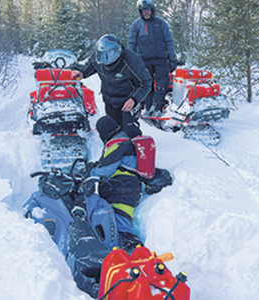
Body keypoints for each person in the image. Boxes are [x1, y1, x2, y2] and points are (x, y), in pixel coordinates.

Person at [72, 34, 152, 138]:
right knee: (112, 129)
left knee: (129, 129)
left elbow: (146, 82)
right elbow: (90, 66)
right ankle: (114, 149)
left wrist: (134, 99)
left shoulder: (131, 60)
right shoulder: (98, 57)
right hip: (109, 100)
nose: (107, 63)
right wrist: (81, 72)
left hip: (128, 101)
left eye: (110, 60)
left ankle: (135, 149)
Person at [89, 116, 144, 253]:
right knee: (117, 226)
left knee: (121, 228)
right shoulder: (123, 142)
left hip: (122, 189)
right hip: (124, 188)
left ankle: (136, 257)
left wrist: (89, 172)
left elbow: (104, 170)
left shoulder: (118, 144)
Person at [128, 0, 177, 116]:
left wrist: (172, 57)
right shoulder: (136, 25)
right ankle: (148, 107)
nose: (146, 13)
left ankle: (158, 106)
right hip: (144, 60)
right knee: (147, 83)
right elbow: (131, 44)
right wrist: (131, 61)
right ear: (141, 12)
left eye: (148, 10)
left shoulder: (160, 23)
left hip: (160, 58)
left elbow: (168, 40)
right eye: (144, 11)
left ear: (152, 10)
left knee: (163, 80)